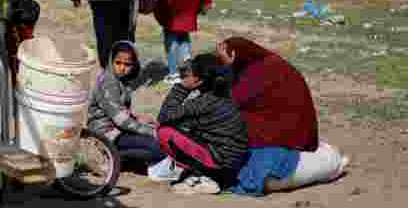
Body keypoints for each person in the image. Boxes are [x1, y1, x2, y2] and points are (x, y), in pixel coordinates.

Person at [156, 54, 249, 195]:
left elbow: (164, 116)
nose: (186, 75)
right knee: (182, 129)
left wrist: (182, 88)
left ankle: (204, 176)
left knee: (164, 132)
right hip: (233, 159)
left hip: (222, 164)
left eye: (190, 73)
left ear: (199, 80)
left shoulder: (204, 103)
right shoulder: (222, 92)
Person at [87, 42, 179, 181]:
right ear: (111, 61)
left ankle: (122, 158)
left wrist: (139, 119)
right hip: (107, 134)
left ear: (134, 64)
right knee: (158, 145)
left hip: (117, 130)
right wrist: (151, 132)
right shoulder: (109, 82)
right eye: (118, 63)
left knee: (160, 135)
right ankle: (114, 159)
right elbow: (121, 120)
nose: (122, 68)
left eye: (127, 64)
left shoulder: (119, 80)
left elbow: (120, 112)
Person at [216, 37, 318, 152]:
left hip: (288, 131)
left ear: (235, 55)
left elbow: (231, 101)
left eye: (222, 59)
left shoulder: (261, 70)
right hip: (292, 125)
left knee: (224, 120)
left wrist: (227, 67)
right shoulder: (265, 62)